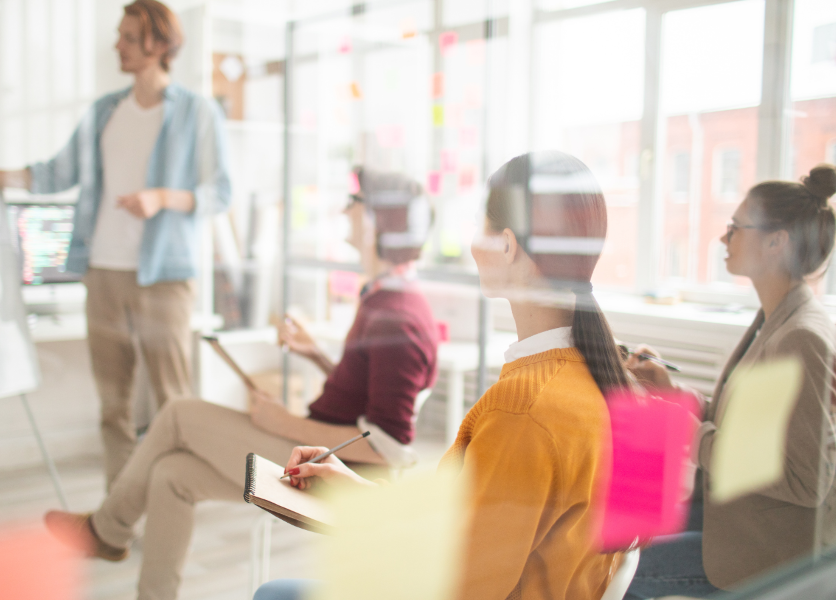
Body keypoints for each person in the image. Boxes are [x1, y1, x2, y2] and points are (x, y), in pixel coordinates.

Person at [44, 167, 439, 600]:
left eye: (355, 203)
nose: (345, 209)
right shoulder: (385, 299)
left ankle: (106, 530)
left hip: (337, 476)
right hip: (322, 457)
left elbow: (386, 447)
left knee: (178, 413)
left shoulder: (396, 313)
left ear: (381, 221)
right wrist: (317, 357)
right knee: (170, 474)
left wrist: (283, 422)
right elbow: (369, 403)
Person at [256, 151, 630, 600]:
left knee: (274, 594)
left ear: (507, 246)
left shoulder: (522, 412)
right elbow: (467, 521)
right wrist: (354, 490)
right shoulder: (593, 378)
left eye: (480, 225)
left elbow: (461, 583)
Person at [0, 0, 231, 487]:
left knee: (175, 406)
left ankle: (174, 506)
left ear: (158, 44)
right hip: (103, 273)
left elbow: (221, 192)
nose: (118, 44)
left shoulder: (197, 113)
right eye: (120, 35)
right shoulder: (104, 112)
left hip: (166, 278)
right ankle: (115, 518)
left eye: (128, 37)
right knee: (112, 406)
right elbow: (54, 174)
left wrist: (161, 197)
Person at [624, 164, 836, 598]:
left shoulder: (802, 337)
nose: (724, 238)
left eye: (735, 228)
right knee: (614, 535)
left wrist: (692, 434)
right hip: (727, 519)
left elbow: (807, 478)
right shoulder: (774, 319)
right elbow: (762, 426)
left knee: (615, 570)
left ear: (777, 242)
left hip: (762, 553)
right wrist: (677, 394)